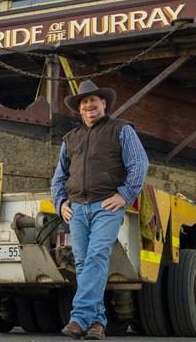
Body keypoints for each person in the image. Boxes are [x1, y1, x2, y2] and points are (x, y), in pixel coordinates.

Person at [51, 80, 149, 340]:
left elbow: (139, 164)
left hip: (106, 205)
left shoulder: (122, 130)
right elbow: (58, 177)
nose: (88, 105)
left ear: (103, 103)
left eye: (92, 100)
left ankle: (78, 318)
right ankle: (98, 324)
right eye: (83, 102)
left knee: (95, 257)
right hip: (77, 209)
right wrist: (60, 203)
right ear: (79, 109)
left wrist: (125, 194)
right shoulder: (70, 139)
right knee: (83, 263)